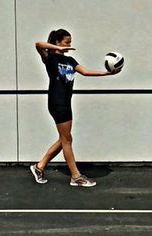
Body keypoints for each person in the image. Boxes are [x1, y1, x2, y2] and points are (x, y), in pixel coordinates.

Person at [31, 29, 120, 187]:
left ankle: (40, 166)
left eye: (70, 42)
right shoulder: (50, 59)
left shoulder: (70, 61)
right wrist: (56, 49)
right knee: (67, 140)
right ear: (58, 42)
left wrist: (107, 74)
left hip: (66, 102)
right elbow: (38, 45)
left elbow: (85, 72)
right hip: (57, 102)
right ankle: (76, 176)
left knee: (64, 138)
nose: (69, 45)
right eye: (67, 42)